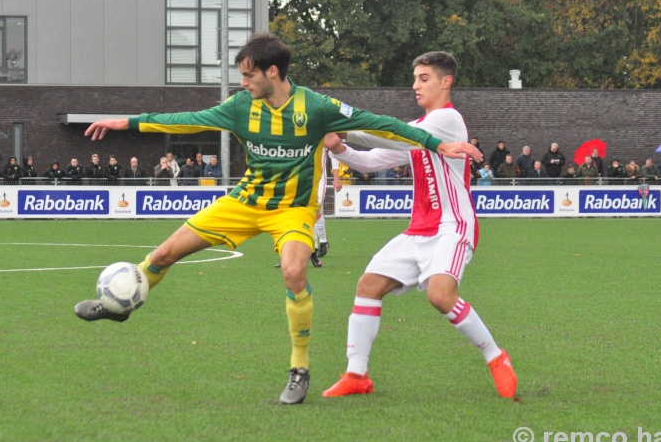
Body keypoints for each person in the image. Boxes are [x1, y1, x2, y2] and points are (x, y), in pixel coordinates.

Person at [73, 33, 481, 406]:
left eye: (249, 75)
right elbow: (186, 120)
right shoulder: (239, 107)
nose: (243, 83)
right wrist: (124, 122)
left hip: (293, 210)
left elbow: (380, 124)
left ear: (273, 72)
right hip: (244, 202)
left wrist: (435, 143)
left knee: (293, 272)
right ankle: (122, 304)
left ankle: (299, 369)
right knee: (163, 254)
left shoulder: (317, 107)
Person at [321, 51, 515, 400]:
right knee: (367, 285)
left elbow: (392, 138)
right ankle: (356, 375)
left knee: (440, 295)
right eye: (415, 78)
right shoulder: (418, 132)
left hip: (453, 226)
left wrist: (343, 126)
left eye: (423, 78)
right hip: (419, 230)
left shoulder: (447, 120)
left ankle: (497, 357)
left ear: (446, 82)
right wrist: (339, 149)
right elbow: (370, 161)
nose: (415, 85)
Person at [314, 150, 342, 260]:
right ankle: (321, 243)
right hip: (304, 180)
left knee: (314, 211)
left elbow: (334, 155)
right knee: (308, 212)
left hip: (319, 180)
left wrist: (336, 178)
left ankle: (316, 246)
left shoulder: (323, 136)